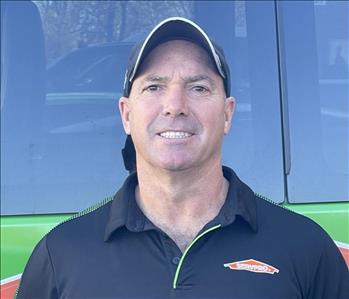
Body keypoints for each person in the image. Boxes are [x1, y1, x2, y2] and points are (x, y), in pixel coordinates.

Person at [16, 17, 348, 299]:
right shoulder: (61, 254)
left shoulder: (306, 248)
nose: (175, 105)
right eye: (153, 87)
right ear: (126, 114)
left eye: (199, 88)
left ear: (228, 113)